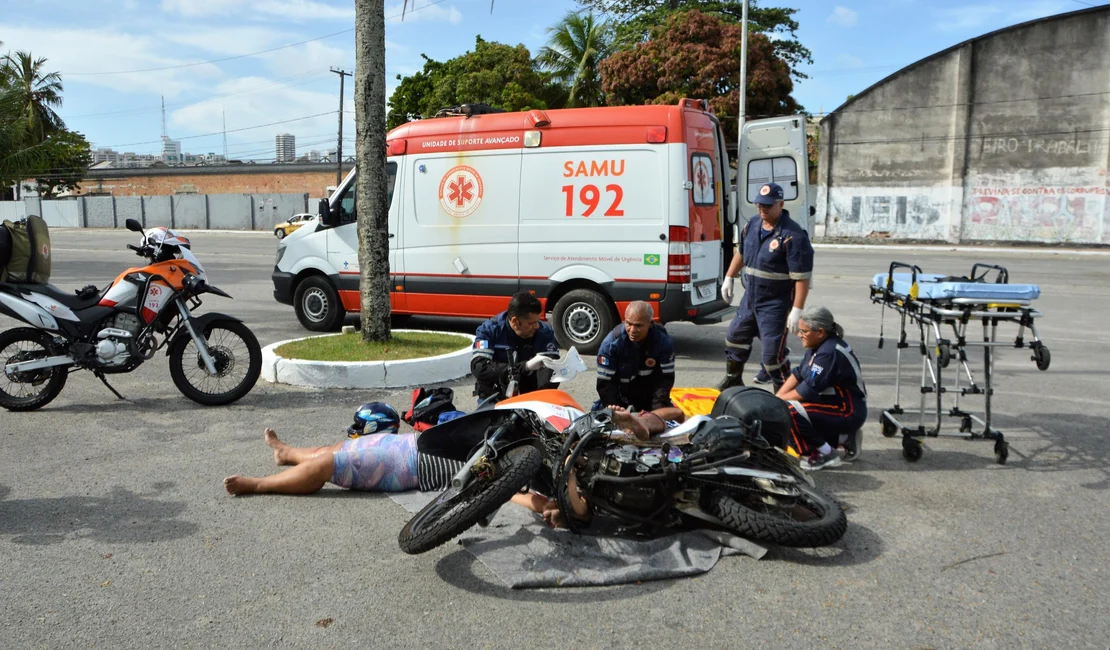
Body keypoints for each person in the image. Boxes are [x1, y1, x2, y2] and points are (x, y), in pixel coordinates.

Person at [719, 182, 813, 393]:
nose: (762, 209)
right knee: (734, 339)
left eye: (768, 205)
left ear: (781, 204)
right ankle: (733, 380)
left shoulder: (793, 235)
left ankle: (784, 393)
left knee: (772, 358)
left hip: (775, 304)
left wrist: (797, 310)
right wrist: (729, 277)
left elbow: (802, 278)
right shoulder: (751, 225)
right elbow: (741, 254)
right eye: (759, 204)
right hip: (750, 300)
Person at [775, 306, 867, 471]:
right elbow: (799, 374)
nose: (799, 335)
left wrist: (778, 402)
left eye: (804, 331)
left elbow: (805, 391)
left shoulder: (828, 353)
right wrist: (778, 396)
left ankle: (825, 454)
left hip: (847, 411)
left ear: (820, 332)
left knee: (788, 411)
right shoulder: (820, 345)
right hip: (833, 405)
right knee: (784, 406)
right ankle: (844, 437)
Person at [594, 301, 686, 427]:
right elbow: (605, 385)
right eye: (629, 324)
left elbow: (665, 379)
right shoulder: (610, 345)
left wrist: (654, 413)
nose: (632, 330)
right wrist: (619, 414)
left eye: (638, 326)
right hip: (620, 399)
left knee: (674, 419)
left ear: (651, 324)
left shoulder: (663, 342)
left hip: (650, 398)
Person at [471, 292, 560, 402]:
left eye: (537, 321)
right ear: (515, 321)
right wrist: (525, 367)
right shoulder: (490, 330)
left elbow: (552, 368)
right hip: (495, 396)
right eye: (531, 323)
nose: (536, 326)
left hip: (531, 397)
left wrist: (541, 400)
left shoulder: (544, 333)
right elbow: (480, 368)